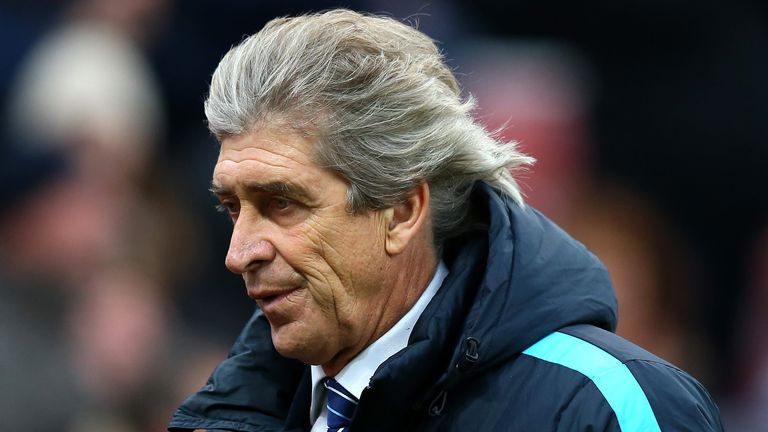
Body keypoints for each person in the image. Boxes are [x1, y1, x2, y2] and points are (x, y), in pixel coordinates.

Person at [169, 9, 723, 431]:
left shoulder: (608, 406)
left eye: (281, 204)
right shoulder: (233, 412)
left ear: (403, 209)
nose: (238, 252)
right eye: (233, 208)